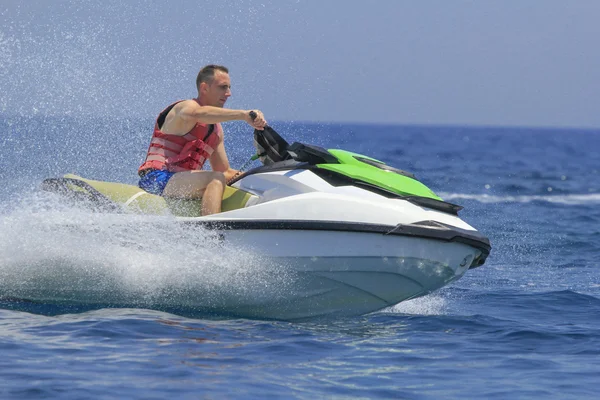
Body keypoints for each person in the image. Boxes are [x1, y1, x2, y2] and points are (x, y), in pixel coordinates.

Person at [138, 65, 267, 215]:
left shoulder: (216, 130)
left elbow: (224, 171)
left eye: (229, 88)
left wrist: (260, 177)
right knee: (215, 178)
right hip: (155, 179)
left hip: (181, 183)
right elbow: (198, 114)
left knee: (220, 177)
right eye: (223, 87)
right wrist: (243, 115)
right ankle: (211, 234)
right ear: (204, 88)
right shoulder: (185, 107)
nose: (229, 93)